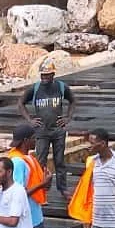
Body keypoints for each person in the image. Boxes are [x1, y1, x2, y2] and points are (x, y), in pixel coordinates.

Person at [17, 59, 76, 199]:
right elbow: (20, 103)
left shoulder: (61, 87)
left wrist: (68, 117)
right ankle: (41, 189)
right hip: (41, 130)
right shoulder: (35, 88)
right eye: (42, 75)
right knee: (40, 161)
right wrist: (30, 120)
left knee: (59, 160)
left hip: (58, 130)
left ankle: (63, 188)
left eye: (47, 75)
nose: (44, 78)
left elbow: (73, 100)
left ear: (53, 74)